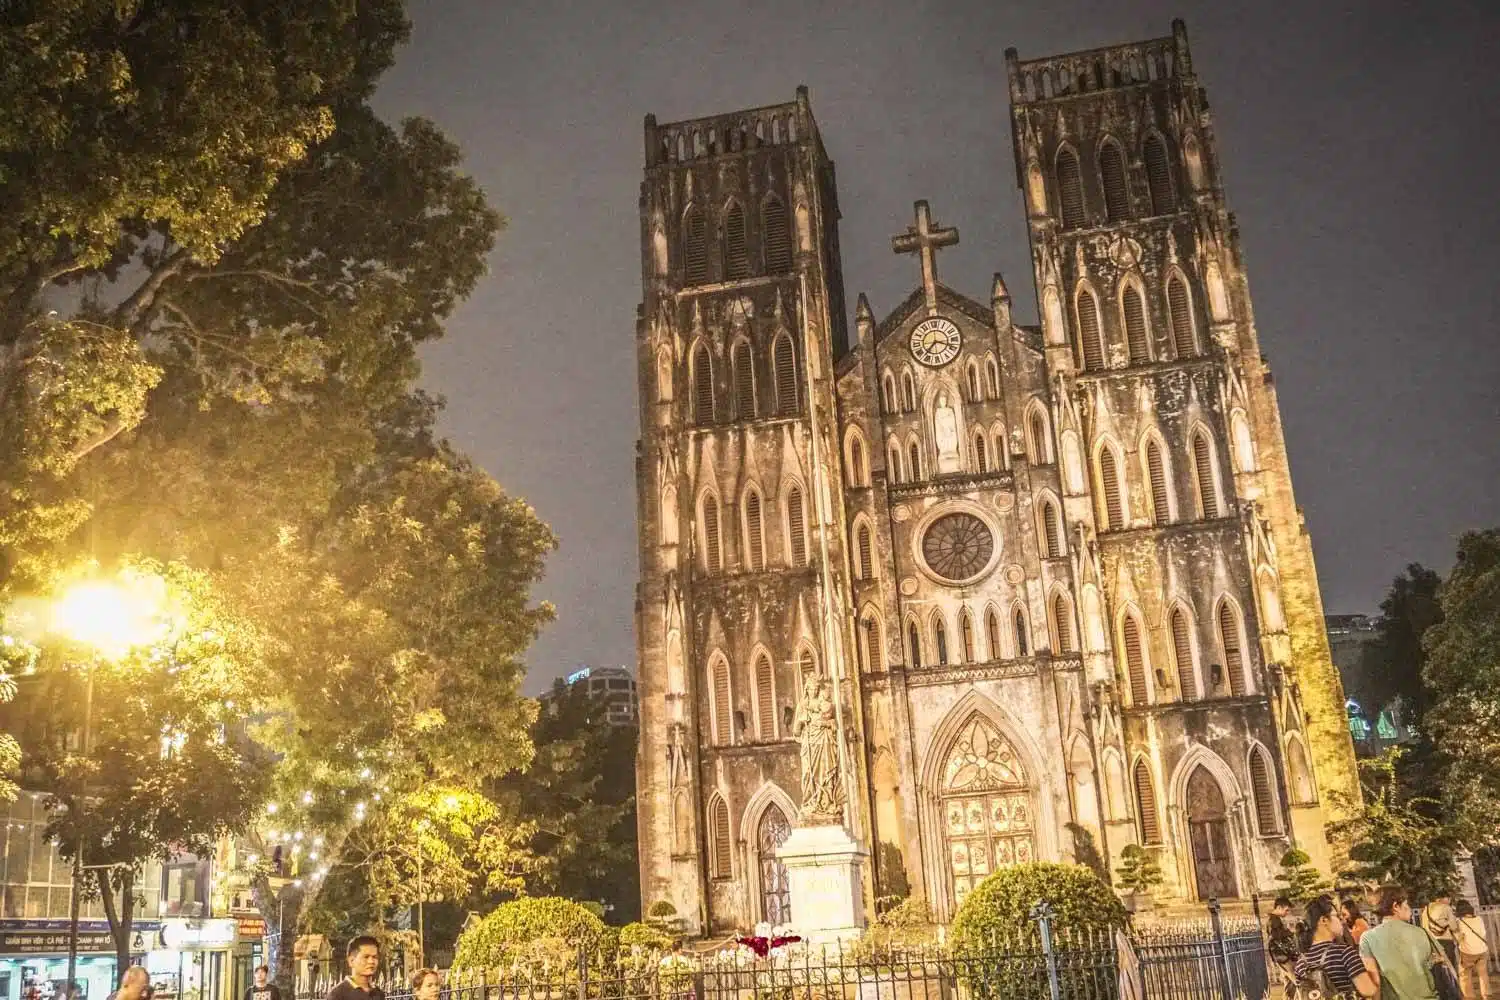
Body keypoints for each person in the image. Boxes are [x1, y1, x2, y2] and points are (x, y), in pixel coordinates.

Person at [1360, 885, 1440, 1000]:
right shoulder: (1421, 932)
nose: (1409, 908)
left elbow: (1375, 981)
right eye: (1406, 904)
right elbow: (1432, 968)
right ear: (1396, 906)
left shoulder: (1367, 938)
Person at [1295, 895, 1378, 998]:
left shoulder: (1300, 963)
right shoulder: (1344, 953)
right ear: (1324, 920)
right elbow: (1368, 990)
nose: (1342, 921)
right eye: (1337, 917)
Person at [1453, 900, 1489, 1000]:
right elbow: (1483, 933)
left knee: (1465, 975)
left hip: (1468, 952)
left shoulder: (1460, 922)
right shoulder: (1479, 919)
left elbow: (1459, 938)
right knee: (1483, 974)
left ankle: (1469, 997)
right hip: (1482, 950)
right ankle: (1485, 995)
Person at [1270, 896, 1303, 998]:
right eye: (1286, 910)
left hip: (1281, 956)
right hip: (1283, 956)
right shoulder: (1274, 920)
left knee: (1289, 984)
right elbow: (1277, 936)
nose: (1287, 912)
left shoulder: (1275, 920)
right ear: (1279, 907)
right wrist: (1290, 932)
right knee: (1298, 981)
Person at [1425, 895, 1460, 970]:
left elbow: (1424, 926)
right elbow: (1453, 926)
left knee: (1437, 968)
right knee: (1449, 967)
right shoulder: (1446, 907)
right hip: (1445, 941)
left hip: (1432, 942)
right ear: (1443, 898)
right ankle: (1450, 981)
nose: (1449, 901)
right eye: (1448, 898)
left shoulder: (1426, 909)